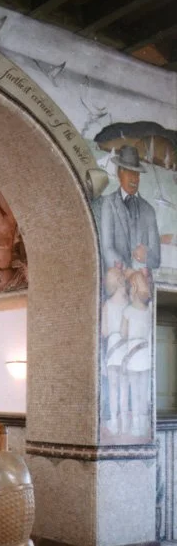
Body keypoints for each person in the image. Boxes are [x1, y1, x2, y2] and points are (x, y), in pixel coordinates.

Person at [99, 145, 160, 273]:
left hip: (143, 281)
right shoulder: (108, 204)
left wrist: (146, 256)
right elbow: (107, 249)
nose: (134, 179)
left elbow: (156, 259)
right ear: (119, 173)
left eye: (136, 173)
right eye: (129, 172)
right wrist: (127, 272)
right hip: (118, 279)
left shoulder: (149, 211)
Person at [121, 269, 152, 437]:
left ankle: (136, 426)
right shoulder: (148, 311)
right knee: (144, 391)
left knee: (134, 391)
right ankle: (144, 424)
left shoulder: (128, 311)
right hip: (145, 355)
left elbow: (123, 333)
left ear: (132, 287)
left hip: (133, 355)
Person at [101, 265, 129, 436]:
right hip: (125, 349)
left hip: (112, 348)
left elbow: (104, 331)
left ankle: (113, 421)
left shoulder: (107, 305)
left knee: (113, 388)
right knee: (124, 387)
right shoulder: (128, 305)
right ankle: (124, 422)